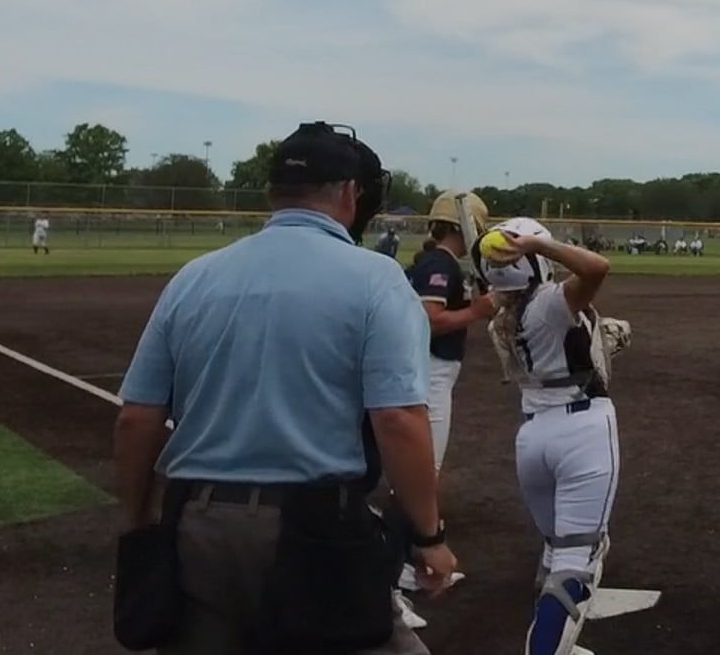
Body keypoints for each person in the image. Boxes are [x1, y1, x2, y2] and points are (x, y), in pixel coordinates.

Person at [111, 122, 456, 655]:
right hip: (314, 528)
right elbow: (397, 420)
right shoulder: (377, 278)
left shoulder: (193, 277)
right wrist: (429, 536)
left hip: (196, 522)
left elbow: (136, 418)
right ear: (350, 192)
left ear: (273, 192)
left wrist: (138, 523)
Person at [477, 217, 617, 655]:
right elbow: (597, 268)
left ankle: (560, 645)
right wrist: (540, 245)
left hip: (533, 435)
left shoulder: (500, 322)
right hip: (582, 431)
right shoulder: (549, 303)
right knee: (577, 562)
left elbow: (562, 349)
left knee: (556, 551)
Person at [391, 191, 498, 614]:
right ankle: (402, 566)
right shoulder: (440, 264)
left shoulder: (440, 263)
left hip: (430, 372)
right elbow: (429, 320)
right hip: (429, 373)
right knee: (420, 471)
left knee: (420, 469)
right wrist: (477, 311)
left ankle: (408, 558)